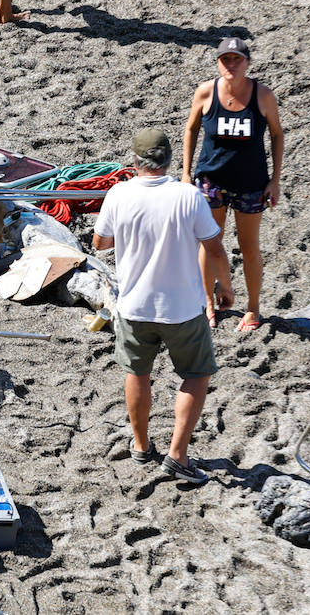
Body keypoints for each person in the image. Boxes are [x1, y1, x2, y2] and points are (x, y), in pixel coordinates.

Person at [93, 128, 234, 486]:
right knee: (196, 374)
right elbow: (214, 248)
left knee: (137, 374)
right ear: (169, 158)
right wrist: (226, 287)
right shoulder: (189, 196)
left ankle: (141, 445)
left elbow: (100, 244)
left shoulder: (119, 193)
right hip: (183, 308)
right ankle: (177, 455)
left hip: (134, 305)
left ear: (135, 159)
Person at [181, 37, 284, 333]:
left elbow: (277, 135)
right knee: (210, 243)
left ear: (248, 63)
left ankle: (253, 309)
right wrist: (186, 174)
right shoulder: (205, 92)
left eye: (237, 59)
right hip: (212, 182)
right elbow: (190, 129)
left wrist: (275, 180)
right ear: (218, 62)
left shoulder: (262, 96)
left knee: (249, 247)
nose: (231, 65)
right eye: (225, 59)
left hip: (251, 184)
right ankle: (207, 304)